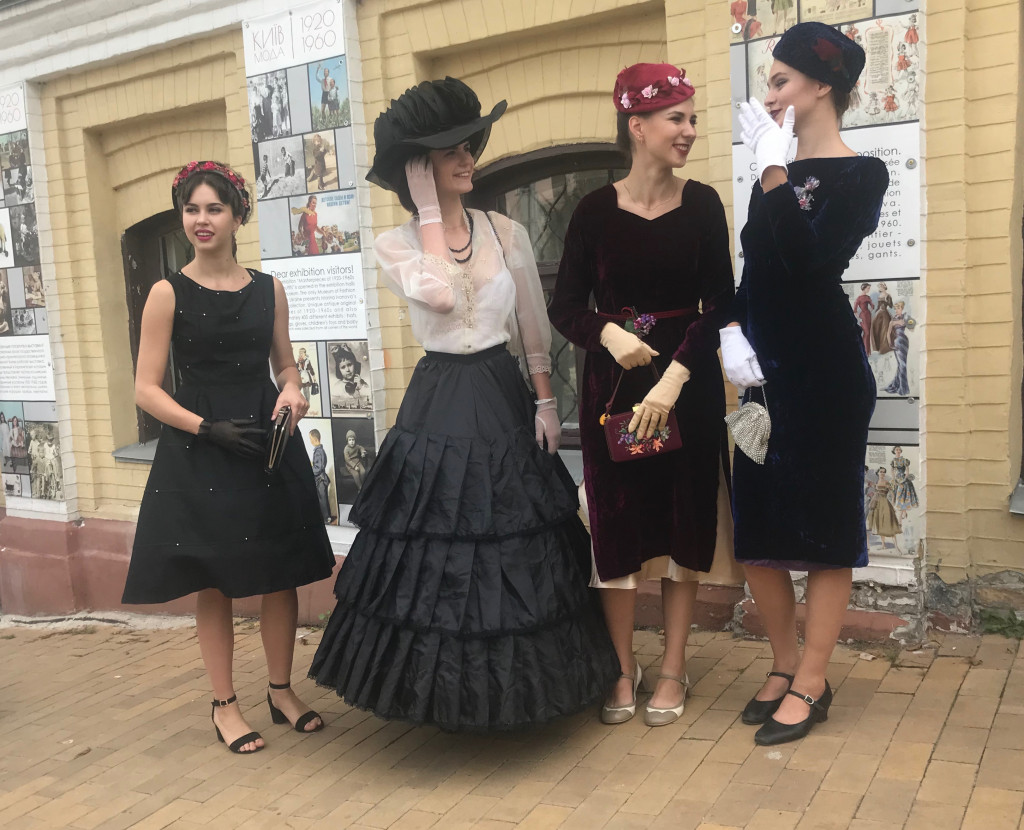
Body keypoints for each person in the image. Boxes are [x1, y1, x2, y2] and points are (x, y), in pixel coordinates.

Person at [309, 77, 618, 730]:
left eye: (467, 145)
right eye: (448, 151)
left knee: (512, 532)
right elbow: (441, 296)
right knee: (443, 535)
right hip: (441, 396)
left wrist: (545, 403)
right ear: (417, 168)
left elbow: (530, 324)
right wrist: (428, 213)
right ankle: (444, 694)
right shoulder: (396, 244)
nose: (466, 158)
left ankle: (526, 689)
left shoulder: (505, 231)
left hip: (501, 390)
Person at [121, 160, 336, 754]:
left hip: (265, 441)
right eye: (191, 209)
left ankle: (281, 691)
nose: (201, 219)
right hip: (202, 447)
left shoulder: (269, 289)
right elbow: (145, 389)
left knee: (279, 572)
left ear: (238, 216)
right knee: (214, 580)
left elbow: (285, 365)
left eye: (214, 208)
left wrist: (293, 391)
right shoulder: (166, 292)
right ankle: (225, 706)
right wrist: (205, 428)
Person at [548, 64, 734, 727]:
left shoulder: (703, 204)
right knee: (618, 528)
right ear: (638, 125)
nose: (689, 130)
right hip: (616, 391)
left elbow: (723, 303)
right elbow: (565, 306)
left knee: (685, 526)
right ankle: (623, 668)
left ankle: (674, 666)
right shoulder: (593, 212)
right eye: (676, 118)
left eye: (692, 118)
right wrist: (606, 334)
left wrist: (678, 376)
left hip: (689, 386)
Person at [721, 22, 889, 745]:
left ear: (822, 85)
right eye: (769, 81)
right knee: (757, 530)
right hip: (763, 375)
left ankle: (814, 680)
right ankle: (784, 662)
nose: (769, 95)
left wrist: (773, 171)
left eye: (781, 80)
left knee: (822, 532)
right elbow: (756, 270)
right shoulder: (774, 171)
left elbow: (809, 261)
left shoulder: (862, 174)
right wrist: (730, 329)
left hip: (824, 376)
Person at [866, 467, 902, 551]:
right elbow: (875, 491)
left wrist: (892, 504)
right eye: (881, 472)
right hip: (877, 504)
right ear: (878, 473)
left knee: (889, 523)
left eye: (884, 472)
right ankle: (883, 545)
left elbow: (893, 494)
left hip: (885, 503)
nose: (882, 473)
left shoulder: (887, 482)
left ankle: (896, 546)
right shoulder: (876, 482)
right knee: (880, 524)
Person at [330, 343, 371, 410]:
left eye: (349, 365)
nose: (348, 370)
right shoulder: (337, 387)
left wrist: (361, 386)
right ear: (339, 370)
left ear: (355, 365)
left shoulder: (362, 383)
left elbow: (369, 397)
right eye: (343, 367)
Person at [884, 300, 912, 395]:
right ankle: (902, 389)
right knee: (902, 365)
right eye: (895, 308)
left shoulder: (905, 317)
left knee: (902, 365)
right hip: (897, 342)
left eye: (898, 308)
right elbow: (888, 333)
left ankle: (901, 386)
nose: (896, 310)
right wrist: (890, 344)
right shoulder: (892, 321)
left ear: (902, 308)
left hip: (905, 341)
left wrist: (908, 322)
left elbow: (911, 327)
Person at [308, 428, 334, 524]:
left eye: (310, 438)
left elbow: (318, 468)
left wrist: (309, 470)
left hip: (321, 480)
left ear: (315, 439)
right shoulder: (319, 450)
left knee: (323, 500)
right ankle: (325, 518)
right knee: (321, 499)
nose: (310, 441)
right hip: (320, 480)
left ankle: (327, 518)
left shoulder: (319, 451)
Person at [853, 284, 873, 354]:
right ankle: (864, 350)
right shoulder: (859, 298)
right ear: (864, 288)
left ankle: (868, 351)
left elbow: (872, 306)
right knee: (866, 333)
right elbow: (855, 310)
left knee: (868, 333)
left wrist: (869, 311)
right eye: (868, 288)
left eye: (869, 288)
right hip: (862, 316)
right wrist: (859, 318)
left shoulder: (868, 297)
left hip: (868, 315)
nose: (869, 290)